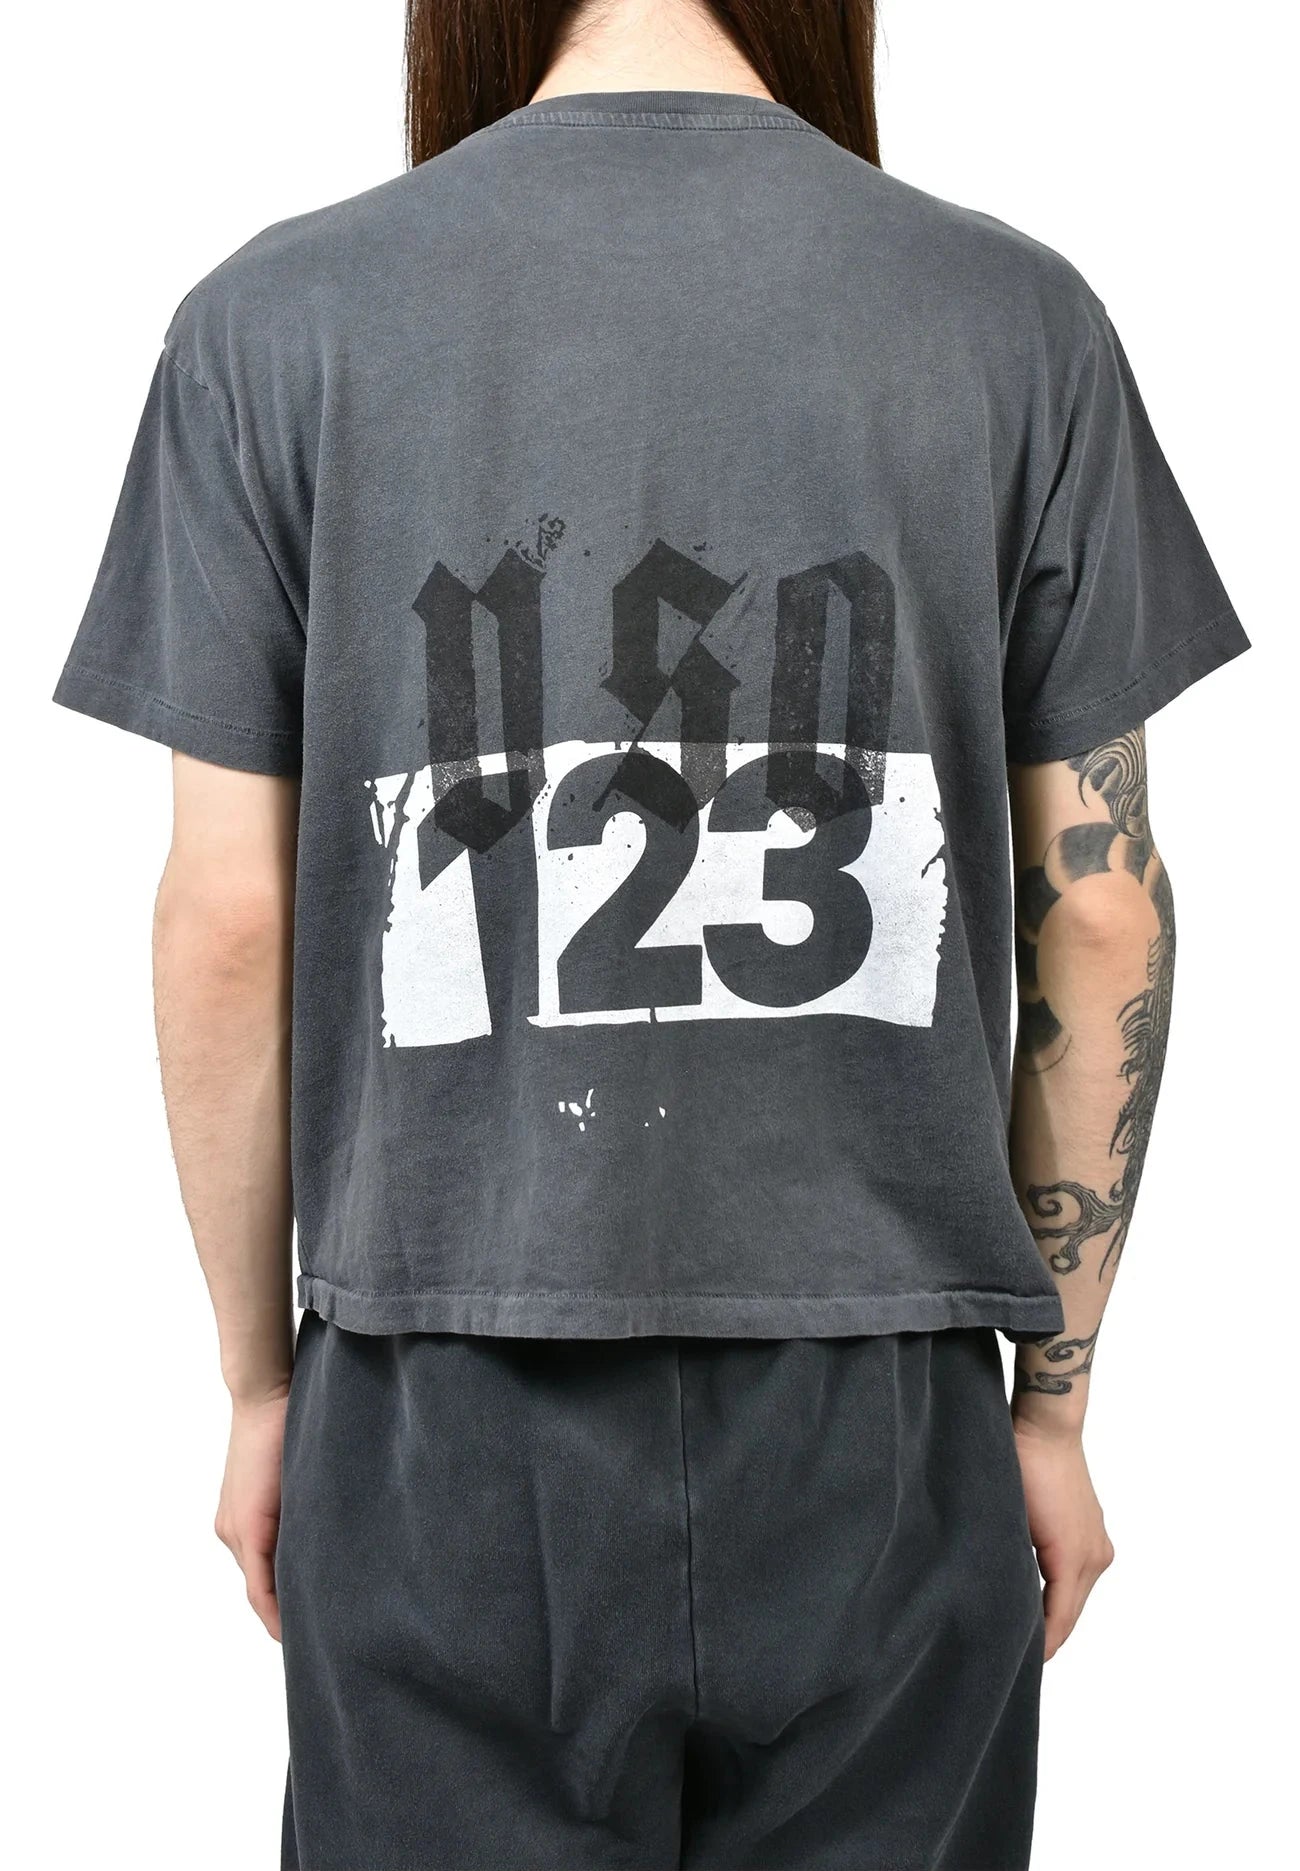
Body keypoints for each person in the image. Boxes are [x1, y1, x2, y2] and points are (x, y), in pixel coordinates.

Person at [53, 1, 1248, 1865]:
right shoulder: (1014, 319)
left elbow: (226, 919)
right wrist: (1053, 1410)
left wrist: (262, 1388)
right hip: (883, 1402)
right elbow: (1098, 906)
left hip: (438, 1389)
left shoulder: (271, 324)